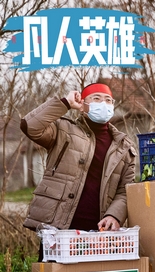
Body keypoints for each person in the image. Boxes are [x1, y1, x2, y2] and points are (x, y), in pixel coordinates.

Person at [20, 83, 136, 260]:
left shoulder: (124, 147)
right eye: (96, 99)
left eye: (108, 100)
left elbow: (126, 190)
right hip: (58, 228)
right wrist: (65, 103)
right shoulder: (63, 130)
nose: (103, 104)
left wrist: (115, 215)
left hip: (98, 231)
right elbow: (30, 125)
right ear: (83, 106)